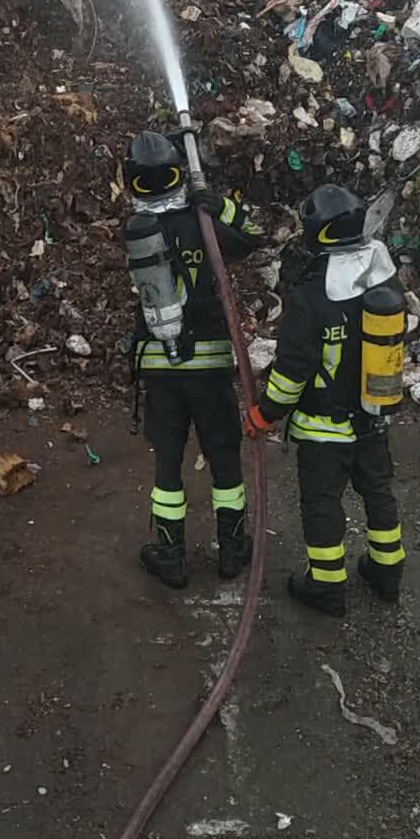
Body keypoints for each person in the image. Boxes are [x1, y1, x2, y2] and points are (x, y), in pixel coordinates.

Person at [244, 183, 406, 618]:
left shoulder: (313, 294)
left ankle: (327, 585)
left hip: (324, 428)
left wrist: (265, 414)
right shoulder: (380, 278)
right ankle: (388, 574)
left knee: (322, 505)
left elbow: (293, 370)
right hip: (373, 418)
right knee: (377, 492)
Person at [123, 130, 264, 589]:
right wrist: (215, 202)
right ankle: (232, 550)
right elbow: (252, 237)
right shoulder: (200, 224)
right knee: (224, 459)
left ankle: (171, 555)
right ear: (178, 175)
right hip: (209, 368)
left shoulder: (138, 233)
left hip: (160, 370)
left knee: (167, 463)